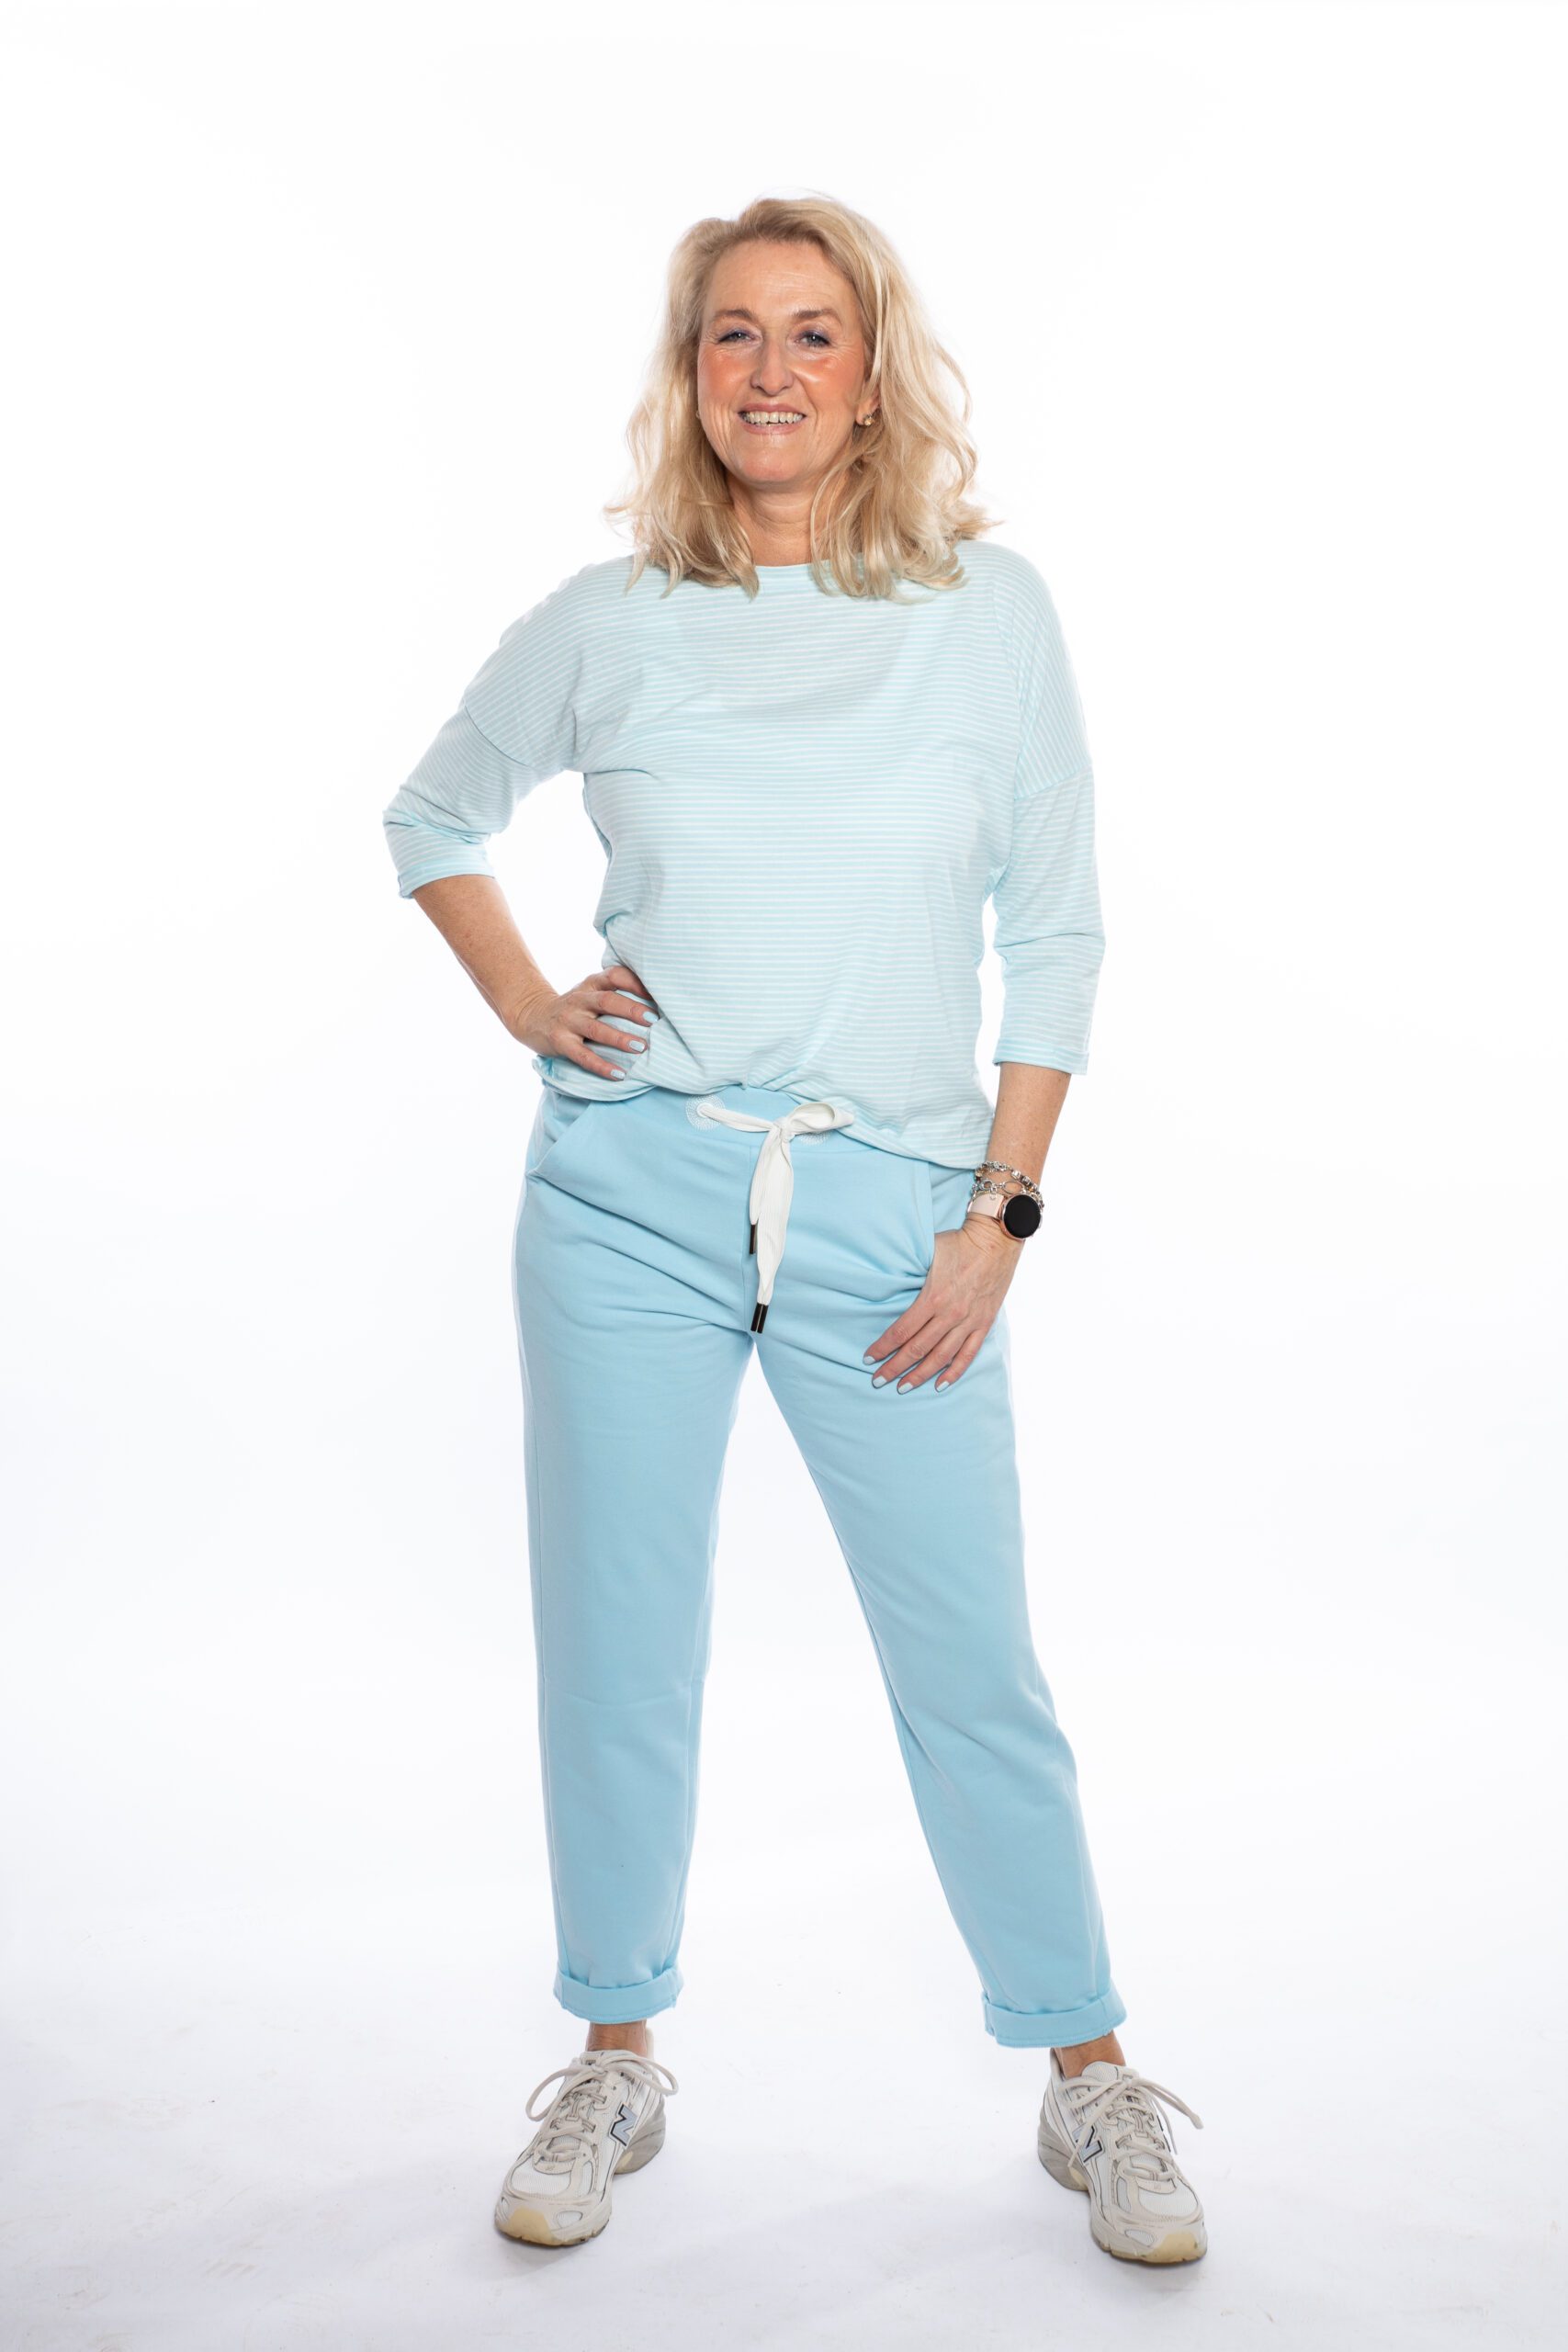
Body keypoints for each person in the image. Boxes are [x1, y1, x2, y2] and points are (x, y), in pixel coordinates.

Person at [381, 193, 1205, 2267]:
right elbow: (432, 814)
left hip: (899, 1219)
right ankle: (613, 2051)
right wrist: (526, 1000)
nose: (770, 370)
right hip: (627, 1200)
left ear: (870, 373)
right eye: (731, 334)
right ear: (690, 377)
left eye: (811, 332)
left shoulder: (986, 612)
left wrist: (1000, 1214)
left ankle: (1090, 2073)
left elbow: (1059, 931)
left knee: (968, 1660)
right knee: (617, 1644)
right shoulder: (611, 618)